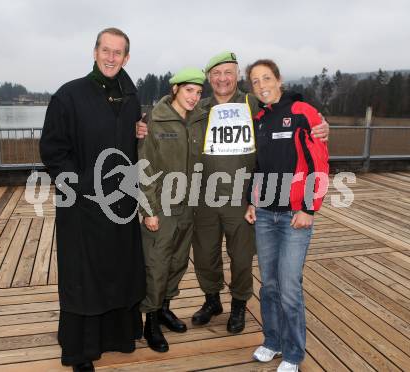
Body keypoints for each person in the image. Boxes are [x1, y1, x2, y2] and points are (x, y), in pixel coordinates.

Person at [136, 51, 329, 335]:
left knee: (240, 256)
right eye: (216, 73)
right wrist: (143, 122)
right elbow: (167, 113)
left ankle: (239, 304)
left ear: (237, 75)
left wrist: (320, 124)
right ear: (208, 77)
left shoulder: (252, 103)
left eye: (228, 72)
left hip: (241, 197)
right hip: (202, 196)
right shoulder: (198, 107)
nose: (222, 78)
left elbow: (287, 107)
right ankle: (212, 299)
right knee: (204, 255)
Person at [40, 28, 145, 372]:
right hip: (82, 205)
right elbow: (54, 151)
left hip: (120, 203)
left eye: (118, 53)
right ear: (95, 51)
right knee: (84, 275)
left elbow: (132, 146)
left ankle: (119, 336)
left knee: (119, 269)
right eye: (106, 50)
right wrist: (84, 184)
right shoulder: (69, 96)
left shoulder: (131, 98)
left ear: (126, 58)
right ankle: (81, 350)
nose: (111, 57)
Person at [244, 59, 329, 372]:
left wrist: (309, 207)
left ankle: (293, 353)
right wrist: (252, 202)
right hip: (265, 214)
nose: (262, 84)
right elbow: (258, 166)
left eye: (267, 77)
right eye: (255, 81)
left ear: (279, 80)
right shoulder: (260, 119)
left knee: (289, 287)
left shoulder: (302, 111)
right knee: (268, 285)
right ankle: (273, 341)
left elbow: (319, 161)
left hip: (296, 216)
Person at [138, 68, 207, 353]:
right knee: (157, 264)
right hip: (162, 207)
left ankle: (165, 308)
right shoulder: (154, 120)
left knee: (178, 262)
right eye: (189, 90)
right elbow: (144, 166)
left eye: (199, 92)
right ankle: (150, 321)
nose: (194, 97)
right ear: (176, 88)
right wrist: (149, 209)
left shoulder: (199, 119)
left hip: (188, 206)